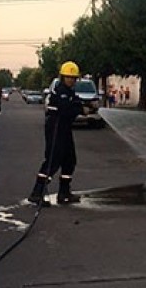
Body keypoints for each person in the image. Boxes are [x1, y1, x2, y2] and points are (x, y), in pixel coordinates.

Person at [28, 61, 83, 205]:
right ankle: (37, 193)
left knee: (70, 160)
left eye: (74, 78)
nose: (71, 80)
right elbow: (66, 110)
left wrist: (84, 106)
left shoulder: (69, 91)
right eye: (69, 77)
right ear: (62, 77)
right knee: (53, 160)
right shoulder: (60, 91)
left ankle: (64, 193)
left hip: (64, 129)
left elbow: (75, 103)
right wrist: (81, 110)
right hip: (56, 128)